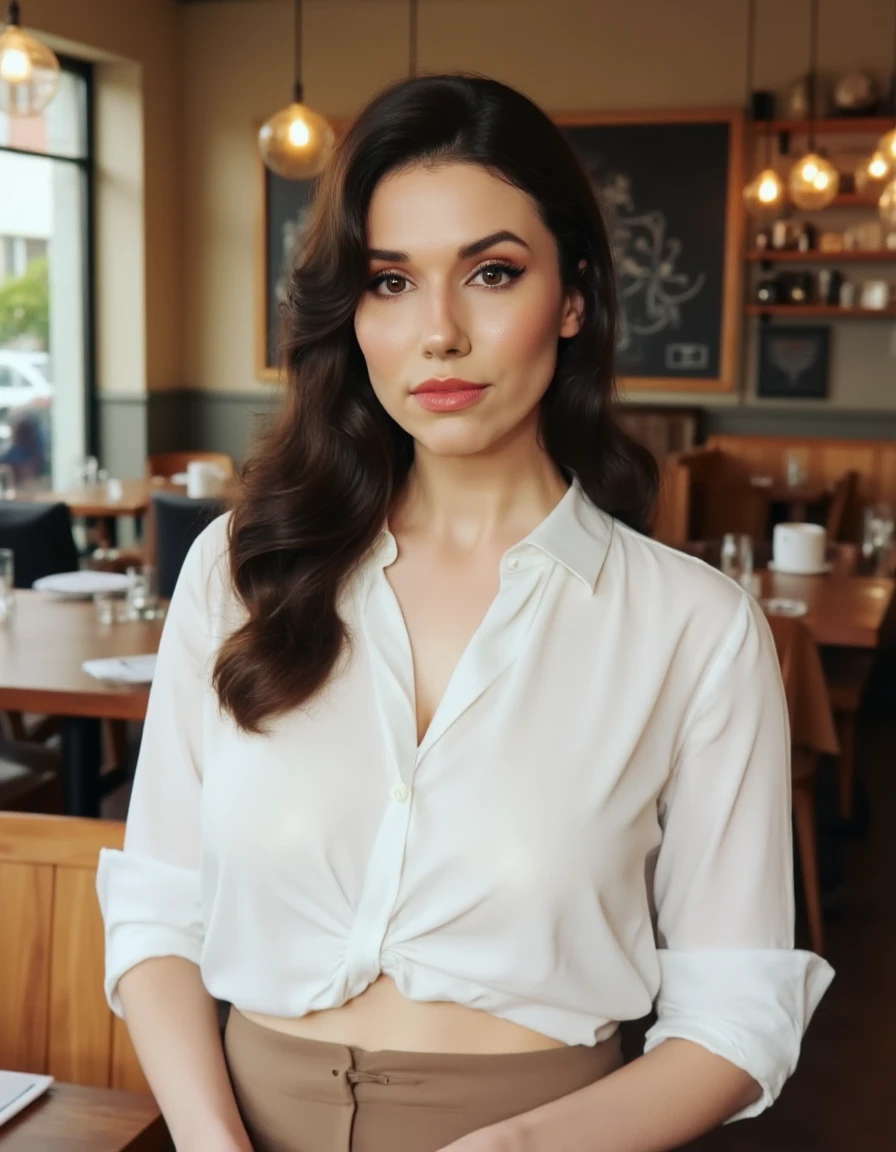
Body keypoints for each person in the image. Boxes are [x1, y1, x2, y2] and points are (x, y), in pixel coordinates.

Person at [97, 74, 833, 1152]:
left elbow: (734, 1019)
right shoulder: (241, 570)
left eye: (490, 273)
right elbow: (157, 912)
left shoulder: (694, 628)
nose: (436, 332)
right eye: (389, 282)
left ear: (572, 296)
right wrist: (212, 1142)